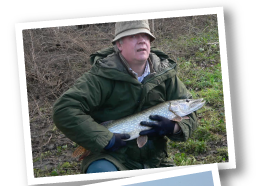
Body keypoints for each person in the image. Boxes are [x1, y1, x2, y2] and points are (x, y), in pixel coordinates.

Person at [53, 20, 198, 173]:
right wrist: (106, 139)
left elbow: (190, 112)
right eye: (133, 36)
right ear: (119, 45)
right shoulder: (99, 76)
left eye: (145, 36)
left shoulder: (165, 74)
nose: (142, 40)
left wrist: (174, 127)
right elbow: (64, 109)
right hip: (111, 157)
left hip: (155, 160)